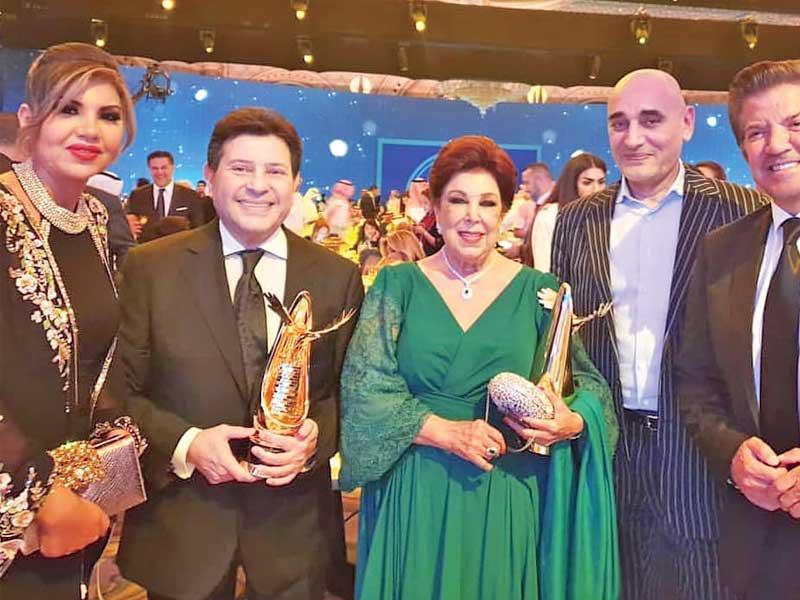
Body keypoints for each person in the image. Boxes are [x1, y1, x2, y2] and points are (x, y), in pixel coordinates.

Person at [340, 135, 619, 600]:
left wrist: (571, 421)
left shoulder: (541, 291)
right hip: (415, 491)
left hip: (505, 492)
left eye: (488, 203)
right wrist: (445, 432)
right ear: (435, 206)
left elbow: (587, 384)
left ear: (504, 211)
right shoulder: (396, 285)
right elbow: (363, 387)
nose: (472, 216)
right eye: (458, 200)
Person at [115, 107, 363, 600]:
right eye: (241, 168)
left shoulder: (336, 277)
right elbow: (121, 391)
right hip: (184, 524)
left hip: (295, 531)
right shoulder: (152, 268)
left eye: (275, 171)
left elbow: (348, 394)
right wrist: (186, 443)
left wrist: (315, 437)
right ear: (209, 178)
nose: (258, 186)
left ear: (295, 184)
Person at [550, 69, 768, 600]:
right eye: (619, 123)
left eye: (651, 121)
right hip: (606, 451)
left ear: (687, 123)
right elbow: (564, 344)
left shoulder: (740, 212)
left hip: (702, 457)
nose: (633, 137)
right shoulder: (575, 222)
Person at [0, 42, 143, 598]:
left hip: (75, 504)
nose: (90, 130)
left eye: (108, 115)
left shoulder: (96, 220)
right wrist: (40, 495)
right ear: (29, 118)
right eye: (69, 109)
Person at [676, 59, 800, 599]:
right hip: (756, 540)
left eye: (795, 124)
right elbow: (695, 382)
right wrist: (732, 454)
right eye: (757, 132)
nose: (777, 144)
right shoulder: (723, 251)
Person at [528, 152, 606, 271]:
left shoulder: (606, 216)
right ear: (572, 184)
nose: (596, 189)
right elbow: (544, 269)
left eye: (601, 182)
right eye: (587, 183)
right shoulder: (550, 215)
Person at [125, 150, 203, 238]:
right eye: (155, 168)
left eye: (164, 168)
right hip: (147, 246)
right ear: (149, 169)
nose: (159, 172)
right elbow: (128, 224)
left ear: (172, 168)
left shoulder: (190, 196)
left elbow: (198, 229)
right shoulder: (137, 196)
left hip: (180, 245)